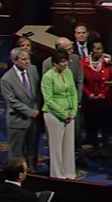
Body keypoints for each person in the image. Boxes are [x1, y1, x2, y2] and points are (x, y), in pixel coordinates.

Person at [0, 48, 42, 173]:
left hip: (34, 118)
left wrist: (37, 108)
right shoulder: (6, 79)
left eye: (28, 58)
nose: (27, 62)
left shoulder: (33, 69)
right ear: (14, 61)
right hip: (18, 120)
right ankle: (16, 173)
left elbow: (38, 92)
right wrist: (29, 111)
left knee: (32, 147)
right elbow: (12, 101)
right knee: (17, 151)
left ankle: (33, 169)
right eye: (23, 59)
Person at [42, 49, 78, 179]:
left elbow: (73, 92)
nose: (65, 64)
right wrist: (63, 114)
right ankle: (57, 174)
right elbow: (49, 100)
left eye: (66, 61)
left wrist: (73, 111)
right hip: (54, 115)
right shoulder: (48, 77)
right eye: (62, 62)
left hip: (70, 113)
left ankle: (69, 172)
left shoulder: (68, 72)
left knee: (69, 145)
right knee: (56, 146)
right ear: (55, 63)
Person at [80, 38, 112, 157]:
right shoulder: (83, 63)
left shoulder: (107, 62)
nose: (100, 51)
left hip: (105, 100)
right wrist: (89, 94)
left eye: (101, 49)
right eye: (97, 49)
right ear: (91, 51)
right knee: (91, 125)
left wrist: (103, 93)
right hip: (89, 100)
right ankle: (94, 146)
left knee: (105, 125)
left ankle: (104, 147)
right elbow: (81, 82)